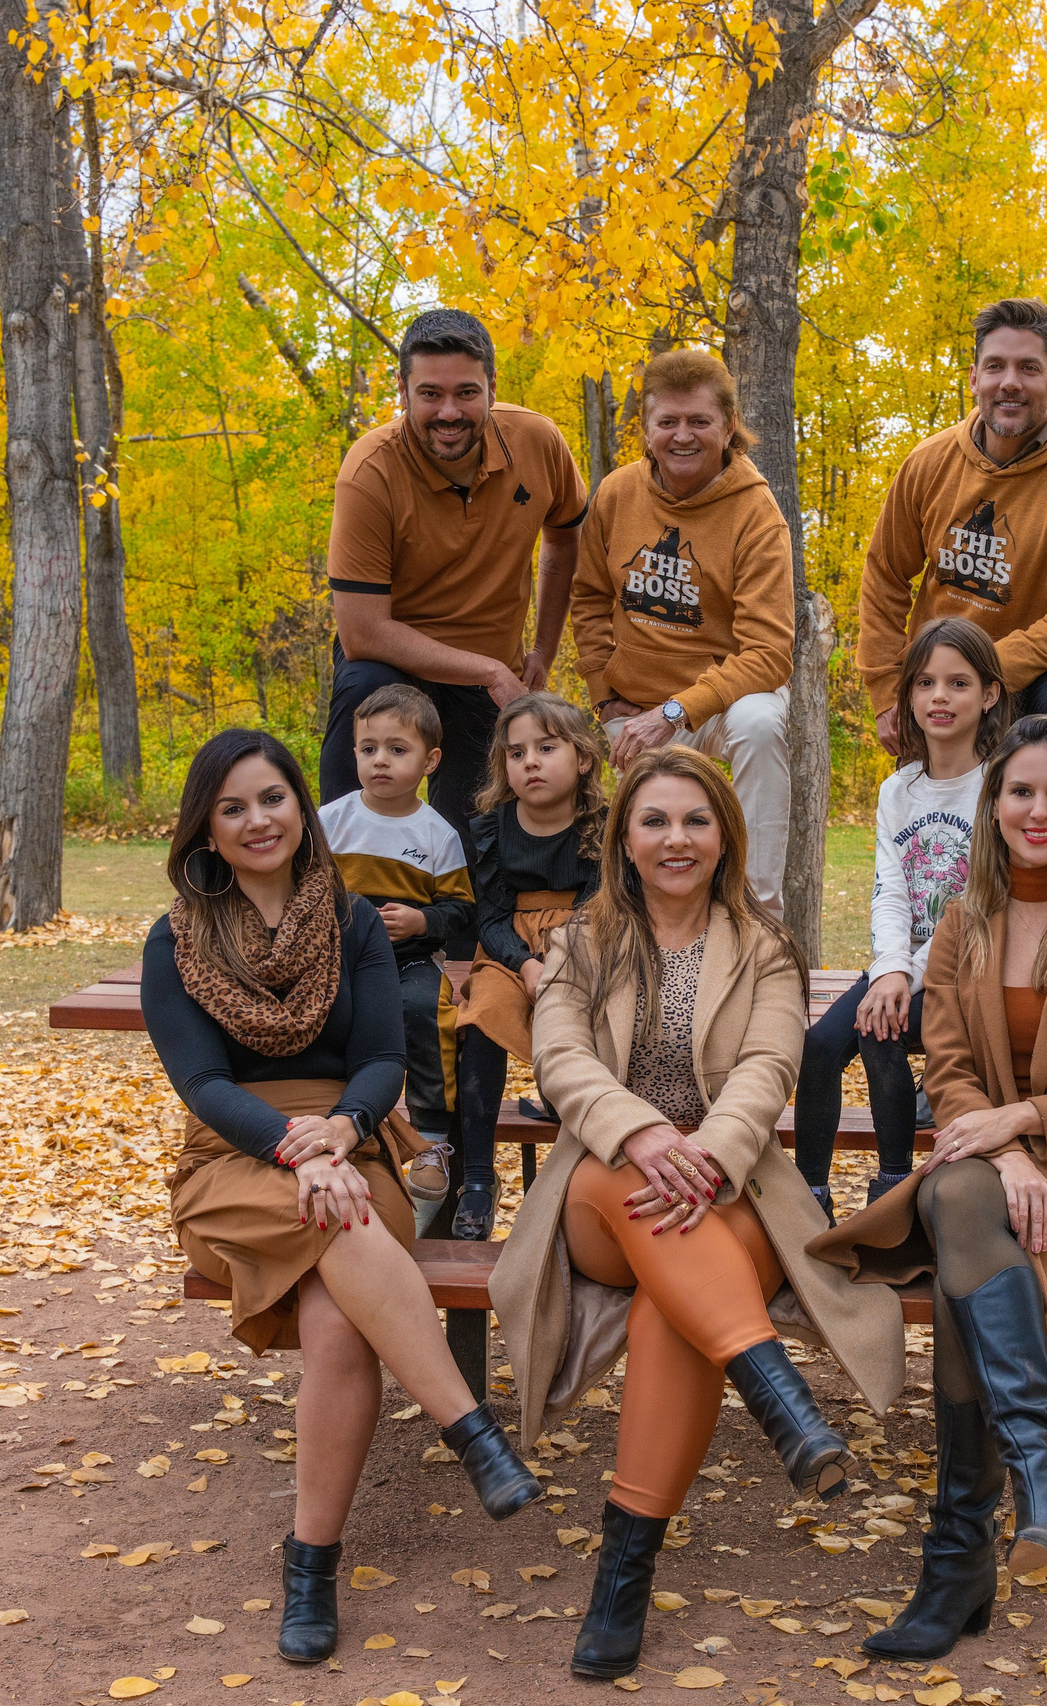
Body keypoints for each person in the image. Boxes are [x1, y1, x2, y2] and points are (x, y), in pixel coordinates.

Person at [491, 748, 906, 1682]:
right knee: (637, 1199)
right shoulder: (579, 946)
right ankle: (776, 1394)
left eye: (695, 821)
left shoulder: (766, 950)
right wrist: (642, 1137)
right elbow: (561, 1063)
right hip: (604, 1188)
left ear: (725, 835)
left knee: (669, 1304)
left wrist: (705, 1156)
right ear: (624, 841)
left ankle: (622, 1575)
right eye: (654, 822)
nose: (675, 839)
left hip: (734, 1192)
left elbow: (768, 1072)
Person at [144, 728, 543, 1666]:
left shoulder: (354, 921)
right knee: (342, 1220)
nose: (256, 820)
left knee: (336, 1319)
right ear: (205, 823)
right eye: (233, 805)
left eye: (272, 799)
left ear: (301, 808)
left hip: (353, 1140)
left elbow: (378, 1060)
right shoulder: (177, 941)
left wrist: (340, 1134)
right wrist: (294, 1146)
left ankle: (311, 1562)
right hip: (233, 1159)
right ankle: (469, 1431)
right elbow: (203, 1084)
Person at [808, 715, 1047, 1662]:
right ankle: (1034, 1475)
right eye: (1021, 791)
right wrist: (1005, 1147)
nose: (1039, 809)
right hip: (992, 1166)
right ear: (995, 803)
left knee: (961, 1214)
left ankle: (957, 1555)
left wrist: (1024, 1128)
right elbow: (951, 1063)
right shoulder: (965, 918)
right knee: (968, 1198)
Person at [321, 307, 590, 910]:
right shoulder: (369, 470)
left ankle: (465, 963)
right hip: (393, 665)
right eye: (430, 394)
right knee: (363, 695)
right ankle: (327, 913)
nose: (449, 412)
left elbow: (566, 536)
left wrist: (541, 650)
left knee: (469, 844)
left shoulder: (538, 442)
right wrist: (491, 671)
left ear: (492, 389)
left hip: (485, 673)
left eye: (467, 393)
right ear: (403, 392)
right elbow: (362, 632)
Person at [855, 298, 1047, 811]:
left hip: (1035, 682)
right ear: (973, 377)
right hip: (941, 681)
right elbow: (885, 575)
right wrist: (888, 689)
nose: (1010, 382)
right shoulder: (930, 462)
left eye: (1029, 368)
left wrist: (972, 677)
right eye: (996, 366)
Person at [794, 618, 1011, 1215]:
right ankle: (808, 1193)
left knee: (877, 1030)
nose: (939, 697)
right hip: (901, 962)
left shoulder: (1000, 786)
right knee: (818, 1043)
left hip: (965, 966)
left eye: (958, 683)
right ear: (909, 695)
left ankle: (893, 1190)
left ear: (989, 694)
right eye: (925, 683)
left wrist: (903, 978)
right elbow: (890, 890)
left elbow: (979, 899)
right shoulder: (898, 789)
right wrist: (888, 969)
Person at [574, 348, 796, 916]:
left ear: (727, 427)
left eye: (699, 421)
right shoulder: (618, 494)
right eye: (667, 422)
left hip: (715, 707)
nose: (683, 436)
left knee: (762, 721)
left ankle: (756, 912)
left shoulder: (755, 512)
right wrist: (606, 701)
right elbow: (589, 600)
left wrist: (674, 713)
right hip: (635, 706)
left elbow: (770, 653)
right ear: (646, 430)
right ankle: (637, 923)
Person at [449, 693, 607, 1240]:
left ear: (582, 757)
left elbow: (599, 906)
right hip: (506, 945)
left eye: (546, 747)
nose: (530, 762)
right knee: (483, 1013)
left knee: (598, 1006)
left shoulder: (604, 825)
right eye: (516, 753)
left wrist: (559, 960)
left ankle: (585, 1155)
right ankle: (475, 1178)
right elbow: (489, 918)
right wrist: (525, 964)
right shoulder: (493, 828)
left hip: (588, 942)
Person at [317, 682, 474, 1189]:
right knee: (329, 1019)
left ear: (429, 762)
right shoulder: (330, 822)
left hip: (409, 961)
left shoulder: (436, 834)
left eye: (396, 750)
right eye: (368, 749)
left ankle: (430, 1142)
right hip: (335, 959)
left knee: (428, 1011)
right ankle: (337, 1125)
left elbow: (460, 909)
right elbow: (302, 890)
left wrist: (422, 921)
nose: (380, 761)